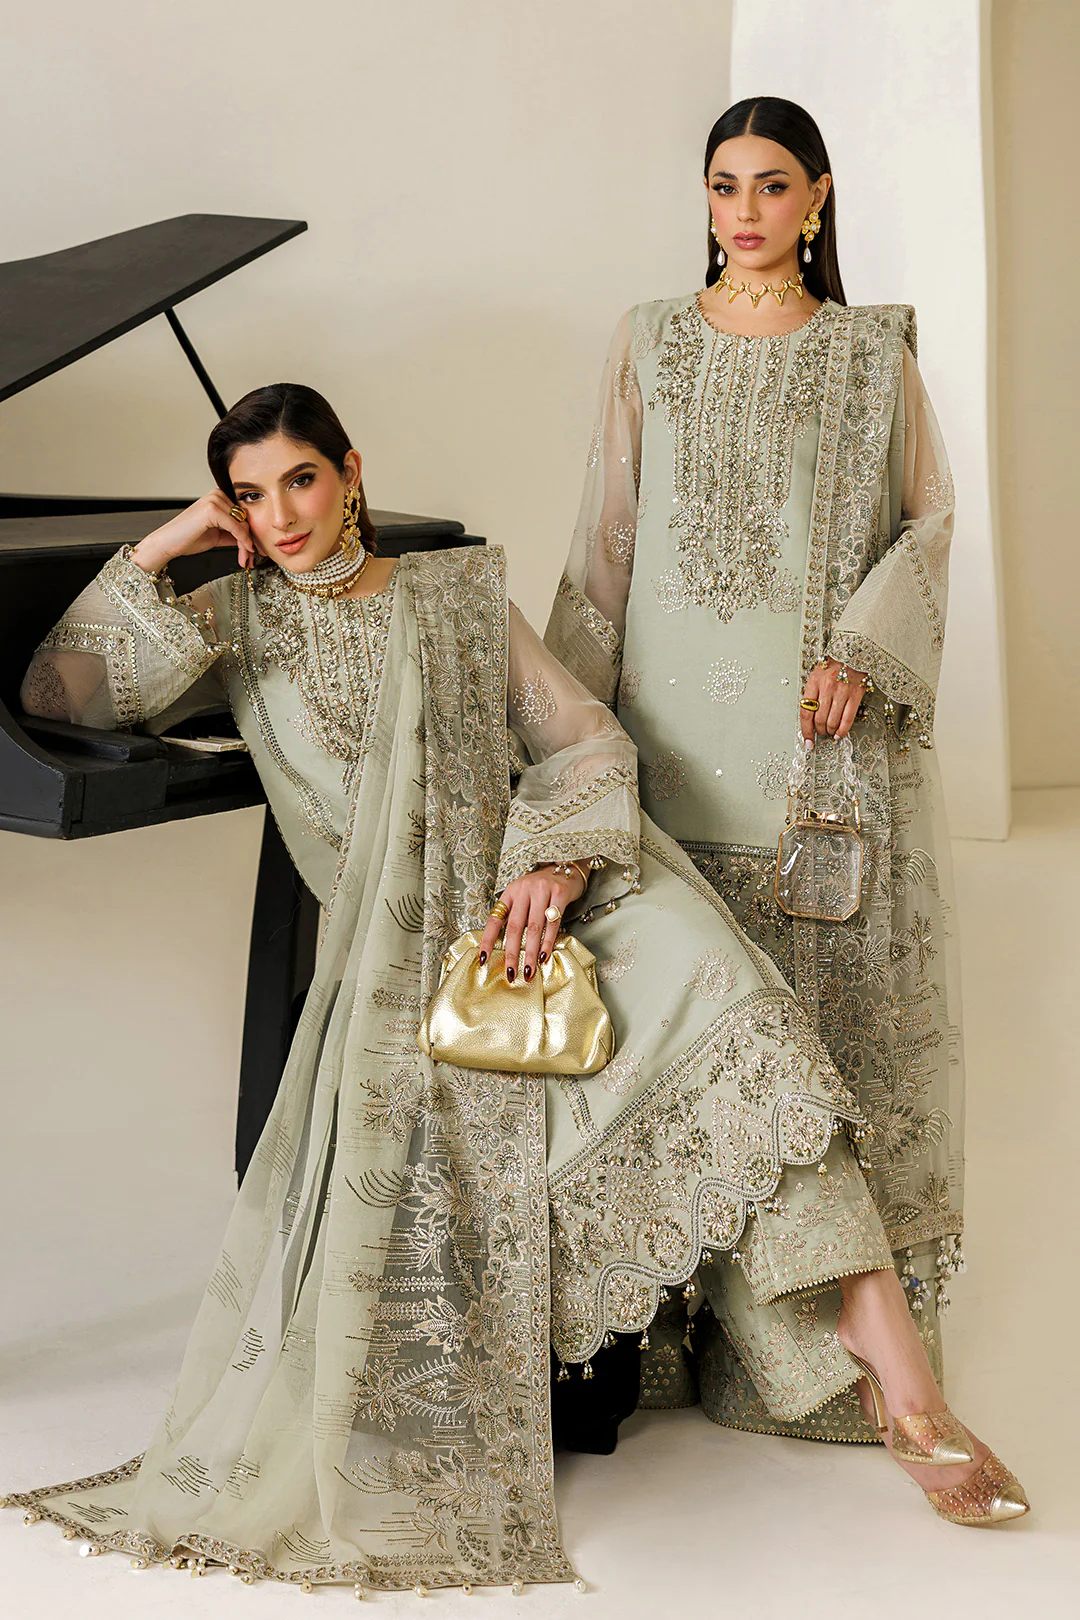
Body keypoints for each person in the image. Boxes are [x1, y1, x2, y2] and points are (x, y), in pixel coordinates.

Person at [5, 383, 1024, 1597]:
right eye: (249, 494)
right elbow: (56, 695)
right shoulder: (232, 624)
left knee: (743, 1008)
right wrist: (172, 543)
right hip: (426, 947)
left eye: (301, 480)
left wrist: (554, 862)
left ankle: (895, 1368)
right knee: (695, 1023)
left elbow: (587, 738)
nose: (280, 515)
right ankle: (875, 1362)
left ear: (351, 471)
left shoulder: (455, 596)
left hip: (562, 882)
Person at [546, 93, 982, 1455]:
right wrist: (565, 739)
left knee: (816, 1020)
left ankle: (818, 1350)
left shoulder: (867, 351)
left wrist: (863, 647)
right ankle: (674, 1325)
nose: (745, 211)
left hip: (808, 750)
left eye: (772, 184)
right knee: (682, 1017)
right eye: (724, 184)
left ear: (818, 197)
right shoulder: (649, 340)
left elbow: (928, 521)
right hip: (668, 739)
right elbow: (607, 541)